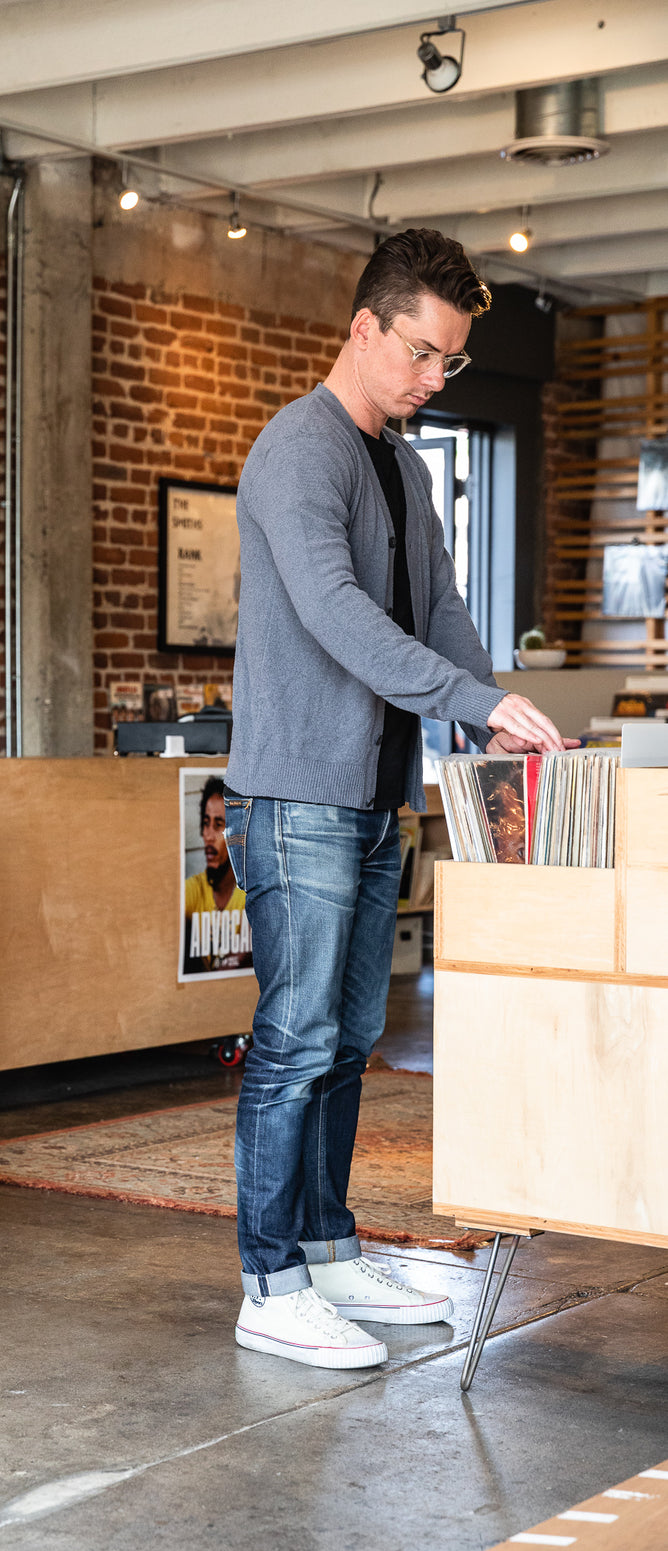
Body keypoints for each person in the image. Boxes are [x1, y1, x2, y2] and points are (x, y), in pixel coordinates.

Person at [222, 228, 577, 1370]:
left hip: (376, 801)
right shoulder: (296, 452)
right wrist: (461, 692)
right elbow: (335, 614)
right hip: (296, 798)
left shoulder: (404, 467)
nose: (434, 379)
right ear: (365, 327)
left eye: (452, 364)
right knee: (292, 1039)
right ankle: (269, 1282)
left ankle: (325, 1251)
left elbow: (437, 613)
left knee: (347, 1038)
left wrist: (489, 705)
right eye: (422, 354)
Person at [183, 775, 250, 974]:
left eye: (218, 824)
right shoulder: (193, 889)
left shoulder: (250, 892)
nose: (209, 835)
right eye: (206, 823)